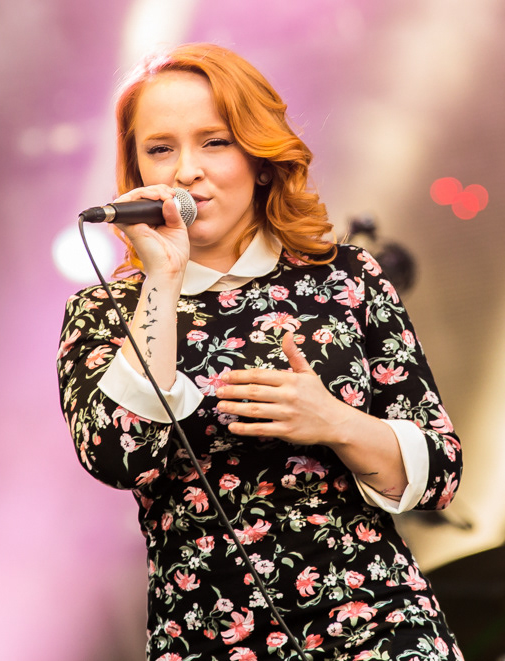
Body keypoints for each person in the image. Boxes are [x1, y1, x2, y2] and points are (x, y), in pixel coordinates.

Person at [56, 43, 463, 661]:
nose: (186, 171)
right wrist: (163, 277)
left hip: (381, 627)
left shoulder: (347, 277)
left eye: (214, 142)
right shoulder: (105, 310)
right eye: (160, 149)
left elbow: (441, 472)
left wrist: (335, 422)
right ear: (135, 169)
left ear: (260, 159)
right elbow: (116, 455)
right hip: (207, 637)